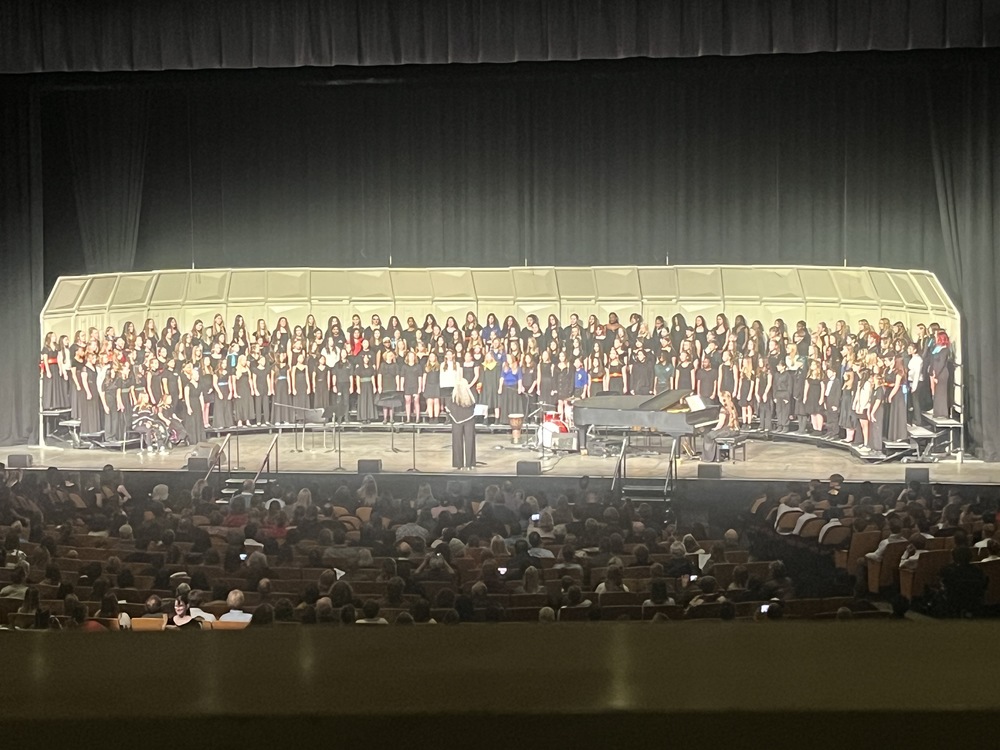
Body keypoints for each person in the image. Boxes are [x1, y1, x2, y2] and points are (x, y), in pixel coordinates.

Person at [446, 377, 477, 471]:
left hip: (456, 421)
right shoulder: (471, 398)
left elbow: (448, 409)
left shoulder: (452, 398)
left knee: (457, 442)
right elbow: (474, 407)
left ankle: (458, 464)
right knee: (470, 441)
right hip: (469, 420)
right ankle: (470, 464)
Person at [701, 391, 739, 463]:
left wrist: (715, 429)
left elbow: (720, 424)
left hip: (727, 431)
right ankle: (718, 454)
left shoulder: (723, 409)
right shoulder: (732, 406)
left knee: (708, 435)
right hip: (733, 430)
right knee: (712, 434)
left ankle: (709, 457)